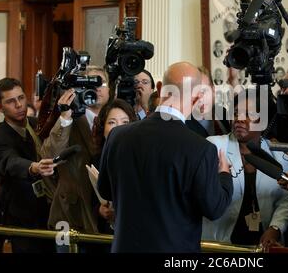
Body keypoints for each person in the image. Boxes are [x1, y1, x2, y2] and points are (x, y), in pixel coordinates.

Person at [97, 62, 233, 253]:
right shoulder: (201, 149)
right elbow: (214, 209)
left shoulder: (117, 136)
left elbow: (105, 190)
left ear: (159, 88)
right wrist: (224, 175)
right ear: (195, 100)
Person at [202, 88, 288, 251]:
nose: (239, 119)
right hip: (221, 244)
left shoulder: (280, 155)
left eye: (248, 114)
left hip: (263, 244)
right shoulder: (213, 146)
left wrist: (275, 228)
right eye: (236, 112)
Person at [40, 65, 111, 248]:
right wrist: (65, 116)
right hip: (71, 215)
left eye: (101, 83)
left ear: (110, 89)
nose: (96, 88)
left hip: (106, 217)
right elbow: (50, 155)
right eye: (90, 83)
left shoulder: (117, 118)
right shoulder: (70, 118)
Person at [0, 78, 56, 252]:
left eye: (21, 98)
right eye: (11, 101)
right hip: (23, 219)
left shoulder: (35, 124)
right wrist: (34, 167)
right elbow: (9, 162)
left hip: (51, 212)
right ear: (0, 108)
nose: (19, 105)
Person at [92, 99, 137, 235]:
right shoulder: (96, 160)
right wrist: (100, 210)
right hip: (104, 236)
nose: (119, 128)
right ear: (102, 127)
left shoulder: (141, 159)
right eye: (112, 122)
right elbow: (88, 201)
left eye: (125, 122)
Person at [186, 66, 230, 138]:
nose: (200, 98)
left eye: (204, 91)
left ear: (213, 90)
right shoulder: (184, 125)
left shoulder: (222, 112)